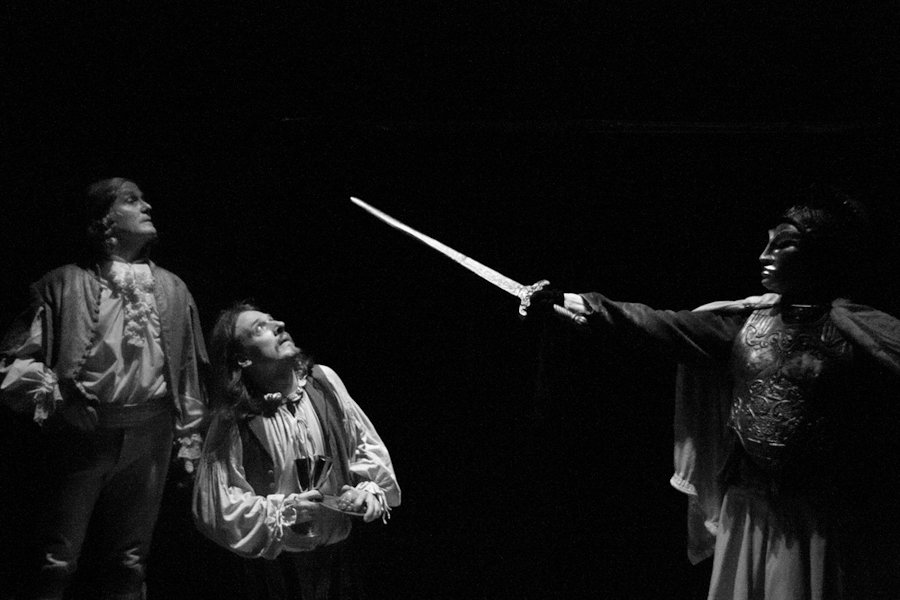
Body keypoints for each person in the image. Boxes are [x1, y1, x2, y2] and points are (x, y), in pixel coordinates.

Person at [528, 186, 900, 599]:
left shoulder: (870, 336)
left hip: (827, 520)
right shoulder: (743, 324)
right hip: (752, 510)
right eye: (767, 243)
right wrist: (574, 303)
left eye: (785, 245)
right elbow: (657, 325)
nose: (765, 255)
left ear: (822, 253)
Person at [0, 177, 209, 600]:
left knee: (130, 559)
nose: (147, 205)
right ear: (105, 220)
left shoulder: (172, 288)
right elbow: (15, 360)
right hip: (82, 432)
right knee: (56, 558)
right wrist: (57, 396)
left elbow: (188, 371)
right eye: (132, 199)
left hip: (151, 434)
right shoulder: (62, 282)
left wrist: (189, 438)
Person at [193, 302, 401, 599]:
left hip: (340, 564)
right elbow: (215, 507)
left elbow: (366, 445)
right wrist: (284, 511)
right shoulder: (236, 419)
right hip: (278, 575)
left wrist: (367, 490)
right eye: (260, 328)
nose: (279, 324)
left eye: (273, 319)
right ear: (242, 359)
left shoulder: (324, 382)